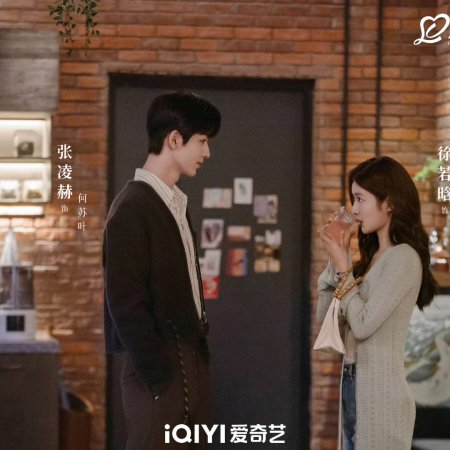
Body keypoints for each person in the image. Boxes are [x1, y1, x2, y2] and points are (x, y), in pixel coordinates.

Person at [103, 91, 221, 449]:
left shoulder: (174, 203)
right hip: (160, 371)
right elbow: (124, 302)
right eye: (202, 141)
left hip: (189, 360)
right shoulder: (132, 207)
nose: (207, 152)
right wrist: (159, 373)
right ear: (174, 139)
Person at [317, 156, 436, 450]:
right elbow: (326, 321)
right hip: (353, 387)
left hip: (382, 398)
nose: (354, 210)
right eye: (353, 200)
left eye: (361, 199)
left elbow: (363, 325)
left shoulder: (404, 257)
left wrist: (343, 269)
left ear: (389, 203)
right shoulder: (370, 261)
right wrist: (336, 260)